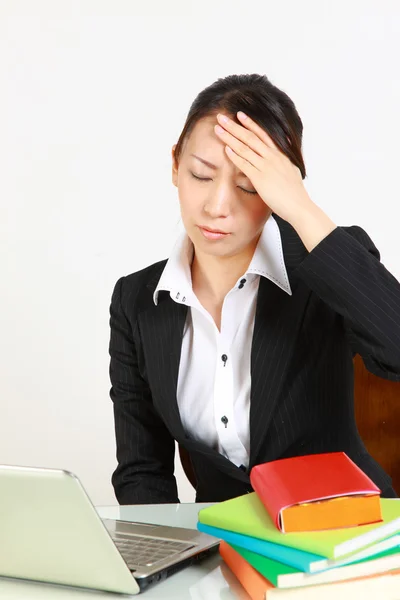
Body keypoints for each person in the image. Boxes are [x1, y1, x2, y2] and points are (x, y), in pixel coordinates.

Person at [108, 73, 400, 505]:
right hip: (224, 546)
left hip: (346, 539)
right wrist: (161, 562)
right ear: (175, 164)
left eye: (249, 185)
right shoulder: (136, 301)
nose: (217, 207)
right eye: (200, 175)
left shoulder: (325, 266)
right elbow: (142, 471)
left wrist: (301, 208)